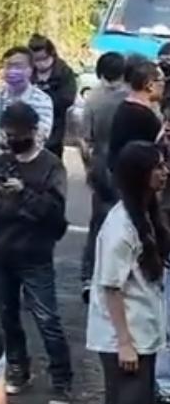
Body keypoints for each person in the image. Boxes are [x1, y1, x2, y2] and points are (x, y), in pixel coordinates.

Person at [87, 141, 169, 404]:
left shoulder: (145, 214)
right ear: (140, 174)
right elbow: (110, 287)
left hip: (143, 332)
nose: (164, 171)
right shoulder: (121, 227)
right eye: (157, 166)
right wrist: (124, 342)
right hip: (126, 337)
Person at [0, 101, 72, 404]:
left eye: (17, 133)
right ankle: (18, 368)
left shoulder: (50, 167)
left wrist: (22, 195)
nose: (12, 138)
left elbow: (55, 214)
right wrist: (15, 208)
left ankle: (61, 379)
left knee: (47, 318)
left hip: (35, 253)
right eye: (7, 133)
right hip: (1, 251)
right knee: (7, 315)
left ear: (33, 131)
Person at [78, 51, 127, 293]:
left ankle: (89, 275)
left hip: (100, 164)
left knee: (98, 222)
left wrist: (89, 167)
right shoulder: (129, 98)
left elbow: (84, 141)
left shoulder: (93, 98)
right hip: (125, 164)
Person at [0, 48, 54, 149]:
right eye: (8, 66)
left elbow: (40, 137)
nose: (12, 71)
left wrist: (3, 140)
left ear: (31, 69)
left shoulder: (43, 101)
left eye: (18, 66)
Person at [106, 54, 165, 167]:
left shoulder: (124, 106)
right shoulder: (144, 116)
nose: (164, 85)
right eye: (161, 81)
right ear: (150, 85)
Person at [28, 34, 78, 159]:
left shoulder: (64, 72)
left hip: (55, 127)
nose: (41, 64)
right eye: (36, 60)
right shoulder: (28, 72)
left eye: (44, 59)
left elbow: (67, 98)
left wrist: (44, 99)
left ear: (52, 54)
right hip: (30, 128)